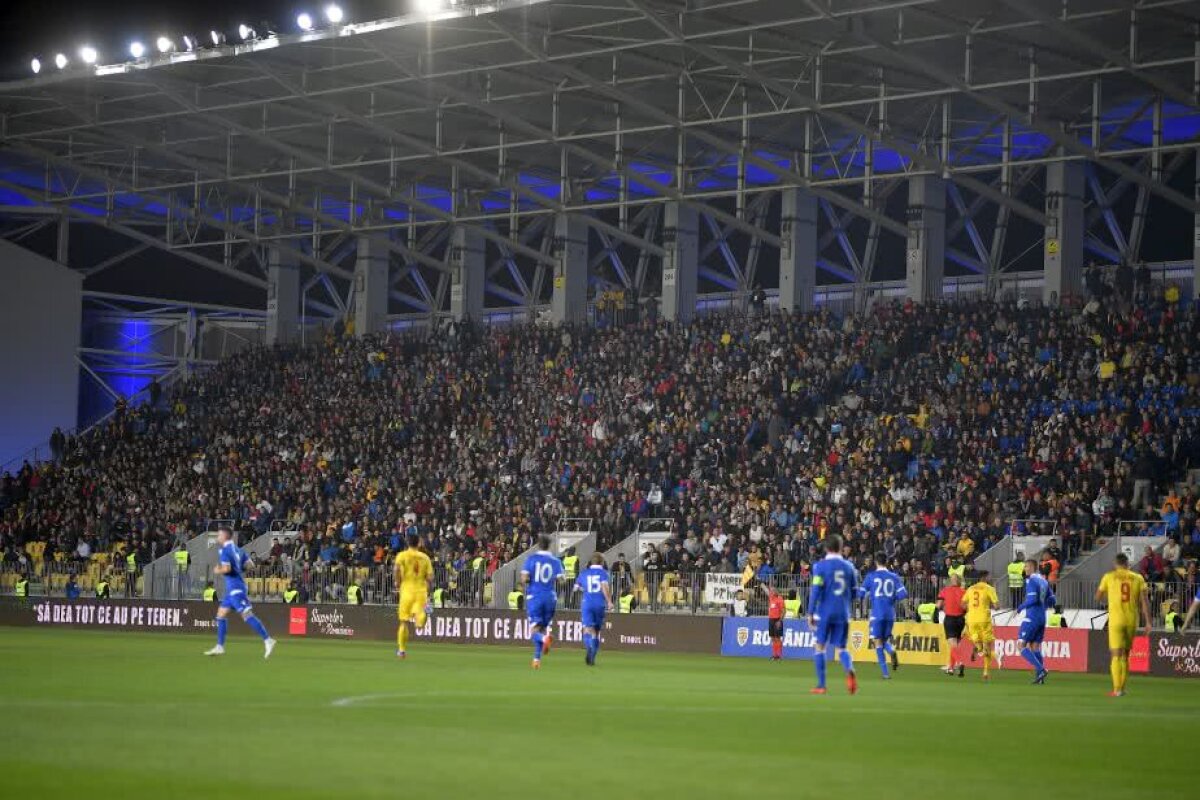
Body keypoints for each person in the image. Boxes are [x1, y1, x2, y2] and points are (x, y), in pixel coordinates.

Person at [204, 527, 276, 659]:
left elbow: (227, 568)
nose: (217, 537)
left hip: (236, 588)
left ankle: (268, 639)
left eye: (219, 534)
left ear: (225, 536)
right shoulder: (238, 549)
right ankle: (220, 646)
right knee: (220, 615)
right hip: (232, 589)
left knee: (246, 615)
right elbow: (250, 565)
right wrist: (238, 568)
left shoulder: (225, 550)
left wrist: (218, 570)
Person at [807, 534, 859, 695]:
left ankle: (822, 685)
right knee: (842, 648)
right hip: (843, 613)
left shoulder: (820, 567)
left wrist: (810, 613)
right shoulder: (850, 567)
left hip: (825, 613)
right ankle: (849, 669)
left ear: (827, 548)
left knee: (820, 647)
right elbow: (855, 593)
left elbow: (815, 590)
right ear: (841, 548)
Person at [1095, 553, 1151, 697]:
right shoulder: (1138, 578)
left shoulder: (1109, 576)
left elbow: (1098, 597)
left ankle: (1117, 689)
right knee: (1125, 655)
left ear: (1116, 564)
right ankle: (1122, 688)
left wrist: (1111, 600)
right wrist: (1149, 622)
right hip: (1132, 620)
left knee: (1115, 655)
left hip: (1116, 620)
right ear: (1127, 564)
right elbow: (1144, 601)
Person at [858, 552, 907, 678]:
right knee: (884, 640)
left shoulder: (871, 576)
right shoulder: (894, 576)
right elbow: (903, 594)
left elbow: (861, 594)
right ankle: (891, 651)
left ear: (876, 562)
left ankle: (885, 672)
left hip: (877, 613)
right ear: (886, 562)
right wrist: (891, 598)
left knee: (877, 642)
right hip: (890, 614)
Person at [521, 534, 564, 669]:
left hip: (535, 597)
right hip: (550, 597)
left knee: (535, 631)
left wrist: (531, 580)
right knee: (542, 628)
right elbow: (562, 580)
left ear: (538, 544)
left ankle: (545, 639)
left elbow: (524, 579)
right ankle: (536, 660)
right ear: (549, 545)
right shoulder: (555, 561)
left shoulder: (531, 559)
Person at [394, 532, 433, 659]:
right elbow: (430, 577)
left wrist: (398, 582)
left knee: (403, 622)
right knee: (420, 612)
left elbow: (396, 569)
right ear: (418, 543)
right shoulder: (425, 557)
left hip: (406, 590)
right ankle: (420, 623)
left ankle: (401, 650)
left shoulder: (402, 555)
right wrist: (429, 589)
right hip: (421, 590)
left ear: (408, 543)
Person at [1016, 559, 1055, 684]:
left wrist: (1020, 607)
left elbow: (1032, 599)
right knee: (1035, 647)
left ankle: (1041, 669)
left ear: (1032, 567)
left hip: (1032, 616)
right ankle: (1040, 678)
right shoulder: (1044, 581)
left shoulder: (1032, 580)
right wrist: (1043, 606)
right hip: (1042, 617)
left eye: (1026, 566)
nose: (1025, 569)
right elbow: (1052, 599)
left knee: (1021, 646)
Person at [574, 553, 613, 666]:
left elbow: (576, 588)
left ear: (591, 562)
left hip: (587, 603)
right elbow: (604, 587)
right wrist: (609, 601)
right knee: (596, 632)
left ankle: (589, 648)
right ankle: (593, 655)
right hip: (599, 603)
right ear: (602, 562)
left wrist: (584, 588)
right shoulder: (604, 573)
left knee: (587, 629)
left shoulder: (583, 573)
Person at [962, 571, 1000, 680]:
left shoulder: (970, 588)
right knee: (987, 647)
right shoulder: (989, 588)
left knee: (980, 648)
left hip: (972, 620)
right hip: (984, 620)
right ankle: (986, 671)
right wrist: (990, 607)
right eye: (989, 576)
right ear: (985, 577)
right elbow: (997, 605)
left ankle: (981, 651)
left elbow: (963, 604)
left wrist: (972, 609)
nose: (990, 578)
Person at [937, 574, 967, 677]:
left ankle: (960, 662)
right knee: (956, 644)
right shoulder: (964, 591)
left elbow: (939, 605)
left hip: (950, 619)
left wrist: (943, 606)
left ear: (951, 581)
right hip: (961, 619)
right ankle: (950, 668)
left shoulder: (945, 590)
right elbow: (966, 606)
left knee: (952, 644)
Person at [767, 586, 785, 661]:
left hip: (777, 620)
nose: (770, 592)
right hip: (771, 619)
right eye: (770, 591)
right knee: (773, 638)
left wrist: (780, 621)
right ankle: (774, 655)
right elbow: (764, 589)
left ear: (775, 592)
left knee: (777, 638)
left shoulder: (780, 599)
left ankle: (779, 655)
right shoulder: (771, 598)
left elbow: (783, 611)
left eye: (772, 591)